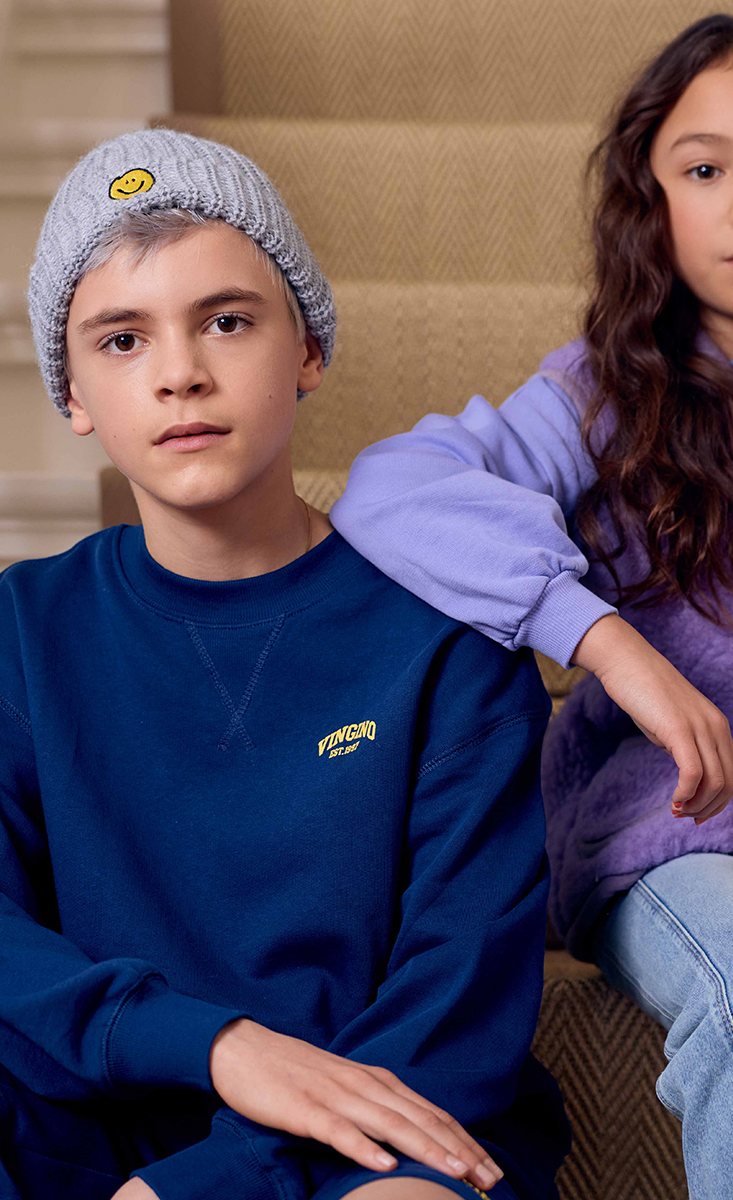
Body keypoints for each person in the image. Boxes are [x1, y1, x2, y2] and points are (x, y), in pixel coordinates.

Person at [331, 14, 733, 1199]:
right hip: (678, 838)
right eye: (704, 170)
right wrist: (602, 641)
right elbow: (393, 489)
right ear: (653, 198)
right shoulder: (598, 396)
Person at [0, 128, 569, 1200]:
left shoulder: (449, 637)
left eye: (226, 321)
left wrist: (209, 1182)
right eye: (121, 340)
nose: (180, 374)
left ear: (307, 349)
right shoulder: (24, 627)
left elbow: (456, 1003)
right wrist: (218, 1048)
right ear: (71, 393)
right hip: (90, 1115)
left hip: (372, 1130)